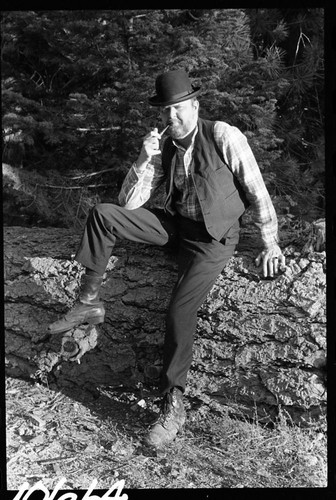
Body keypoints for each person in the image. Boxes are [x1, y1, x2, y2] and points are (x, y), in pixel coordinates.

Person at [48, 69, 285, 448]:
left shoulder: (223, 135)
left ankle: (173, 402)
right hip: (178, 228)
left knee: (178, 310)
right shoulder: (166, 146)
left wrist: (270, 242)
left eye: (177, 110)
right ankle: (88, 301)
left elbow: (256, 190)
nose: (171, 118)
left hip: (214, 238)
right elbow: (130, 204)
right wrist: (143, 160)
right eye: (165, 112)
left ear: (194, 105)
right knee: (104, 214)